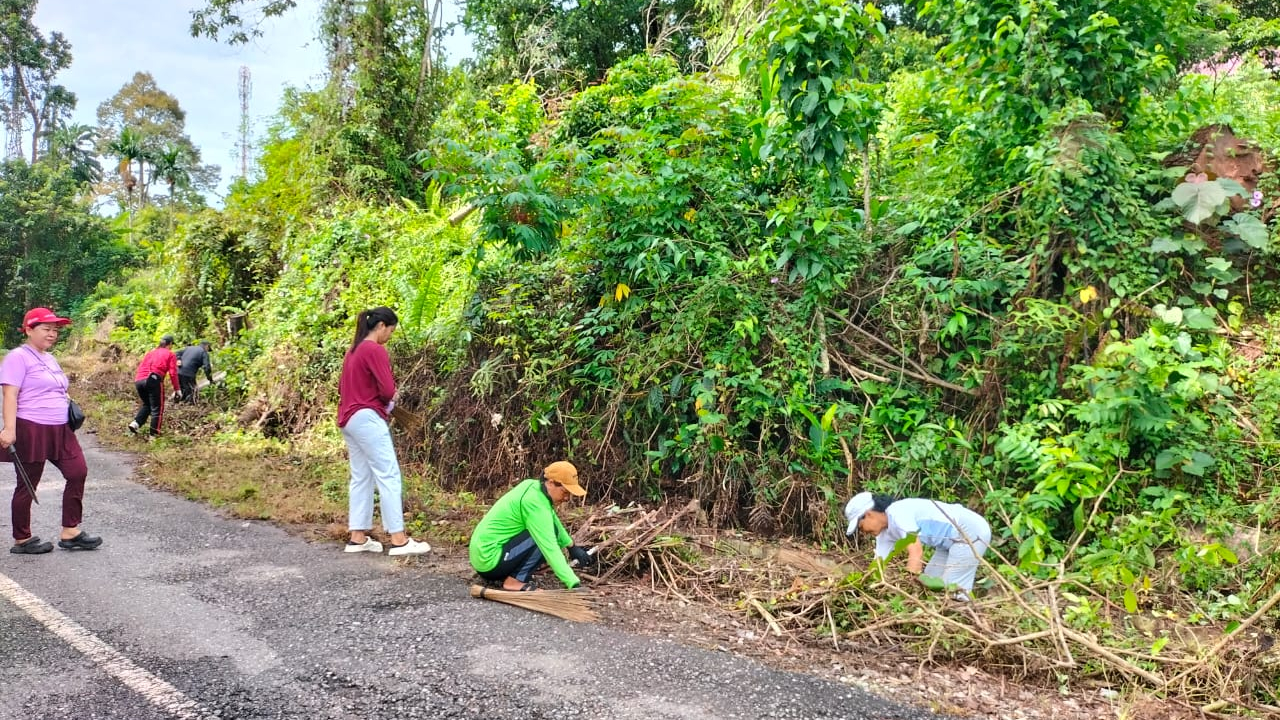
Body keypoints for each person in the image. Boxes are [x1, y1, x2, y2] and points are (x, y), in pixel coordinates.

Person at [0, 308, 103, 554]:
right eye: (46, 329)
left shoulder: (49, 358)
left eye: (55, 330)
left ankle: (70, 531)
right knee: (28, 485)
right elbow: (10, 394)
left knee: (77, 472)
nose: (52, 334)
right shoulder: (18, 357)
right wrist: (9, 428)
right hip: (31, 428)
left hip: (60, 428)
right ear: (28, 330)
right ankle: (22, 539)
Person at [337, 307, 430, 556]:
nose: (390, 335)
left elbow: (342, 388)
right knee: (388, 475)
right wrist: (389, 401)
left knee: (361, 476)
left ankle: (357, 538)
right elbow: (387, 389)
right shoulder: (374, 349)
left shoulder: (353, 350)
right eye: (391, 330)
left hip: (348, 418)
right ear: (381, 327)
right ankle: (399, 539)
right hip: (367, 418)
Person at [469, 461, 595, 591]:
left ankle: (512, 574)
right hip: (489, 561)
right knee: (541, 538)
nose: (567, 498)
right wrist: (574, 583)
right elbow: (549, 546)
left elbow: (552, 519)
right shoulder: (534, 503)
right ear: (551, 483)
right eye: (565, 492)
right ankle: (514, 581)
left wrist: (571, 547)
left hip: (482, 556)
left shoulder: (531, 486)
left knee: (550, 530)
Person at [844, 491, 991, 599]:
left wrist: (908, 593)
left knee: (954, 590)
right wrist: (863, 589)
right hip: (947, 543)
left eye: (860, 526)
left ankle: (964, 625)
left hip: (969, 531)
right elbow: (878, 566)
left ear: (869, 514)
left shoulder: (897, 513)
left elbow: (916, 552)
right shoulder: (885, 533)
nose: (862, 531)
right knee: (930, 584)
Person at [129, 335, 179, 437]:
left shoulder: (150, 353)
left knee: (147, 404)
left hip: (139, 380)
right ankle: (154, 435)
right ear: (169, 344)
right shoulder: (170, 354)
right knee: (157, 408)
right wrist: (177, 389)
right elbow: (173, 373)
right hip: (153, 379)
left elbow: (141, 366)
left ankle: (136, 423)